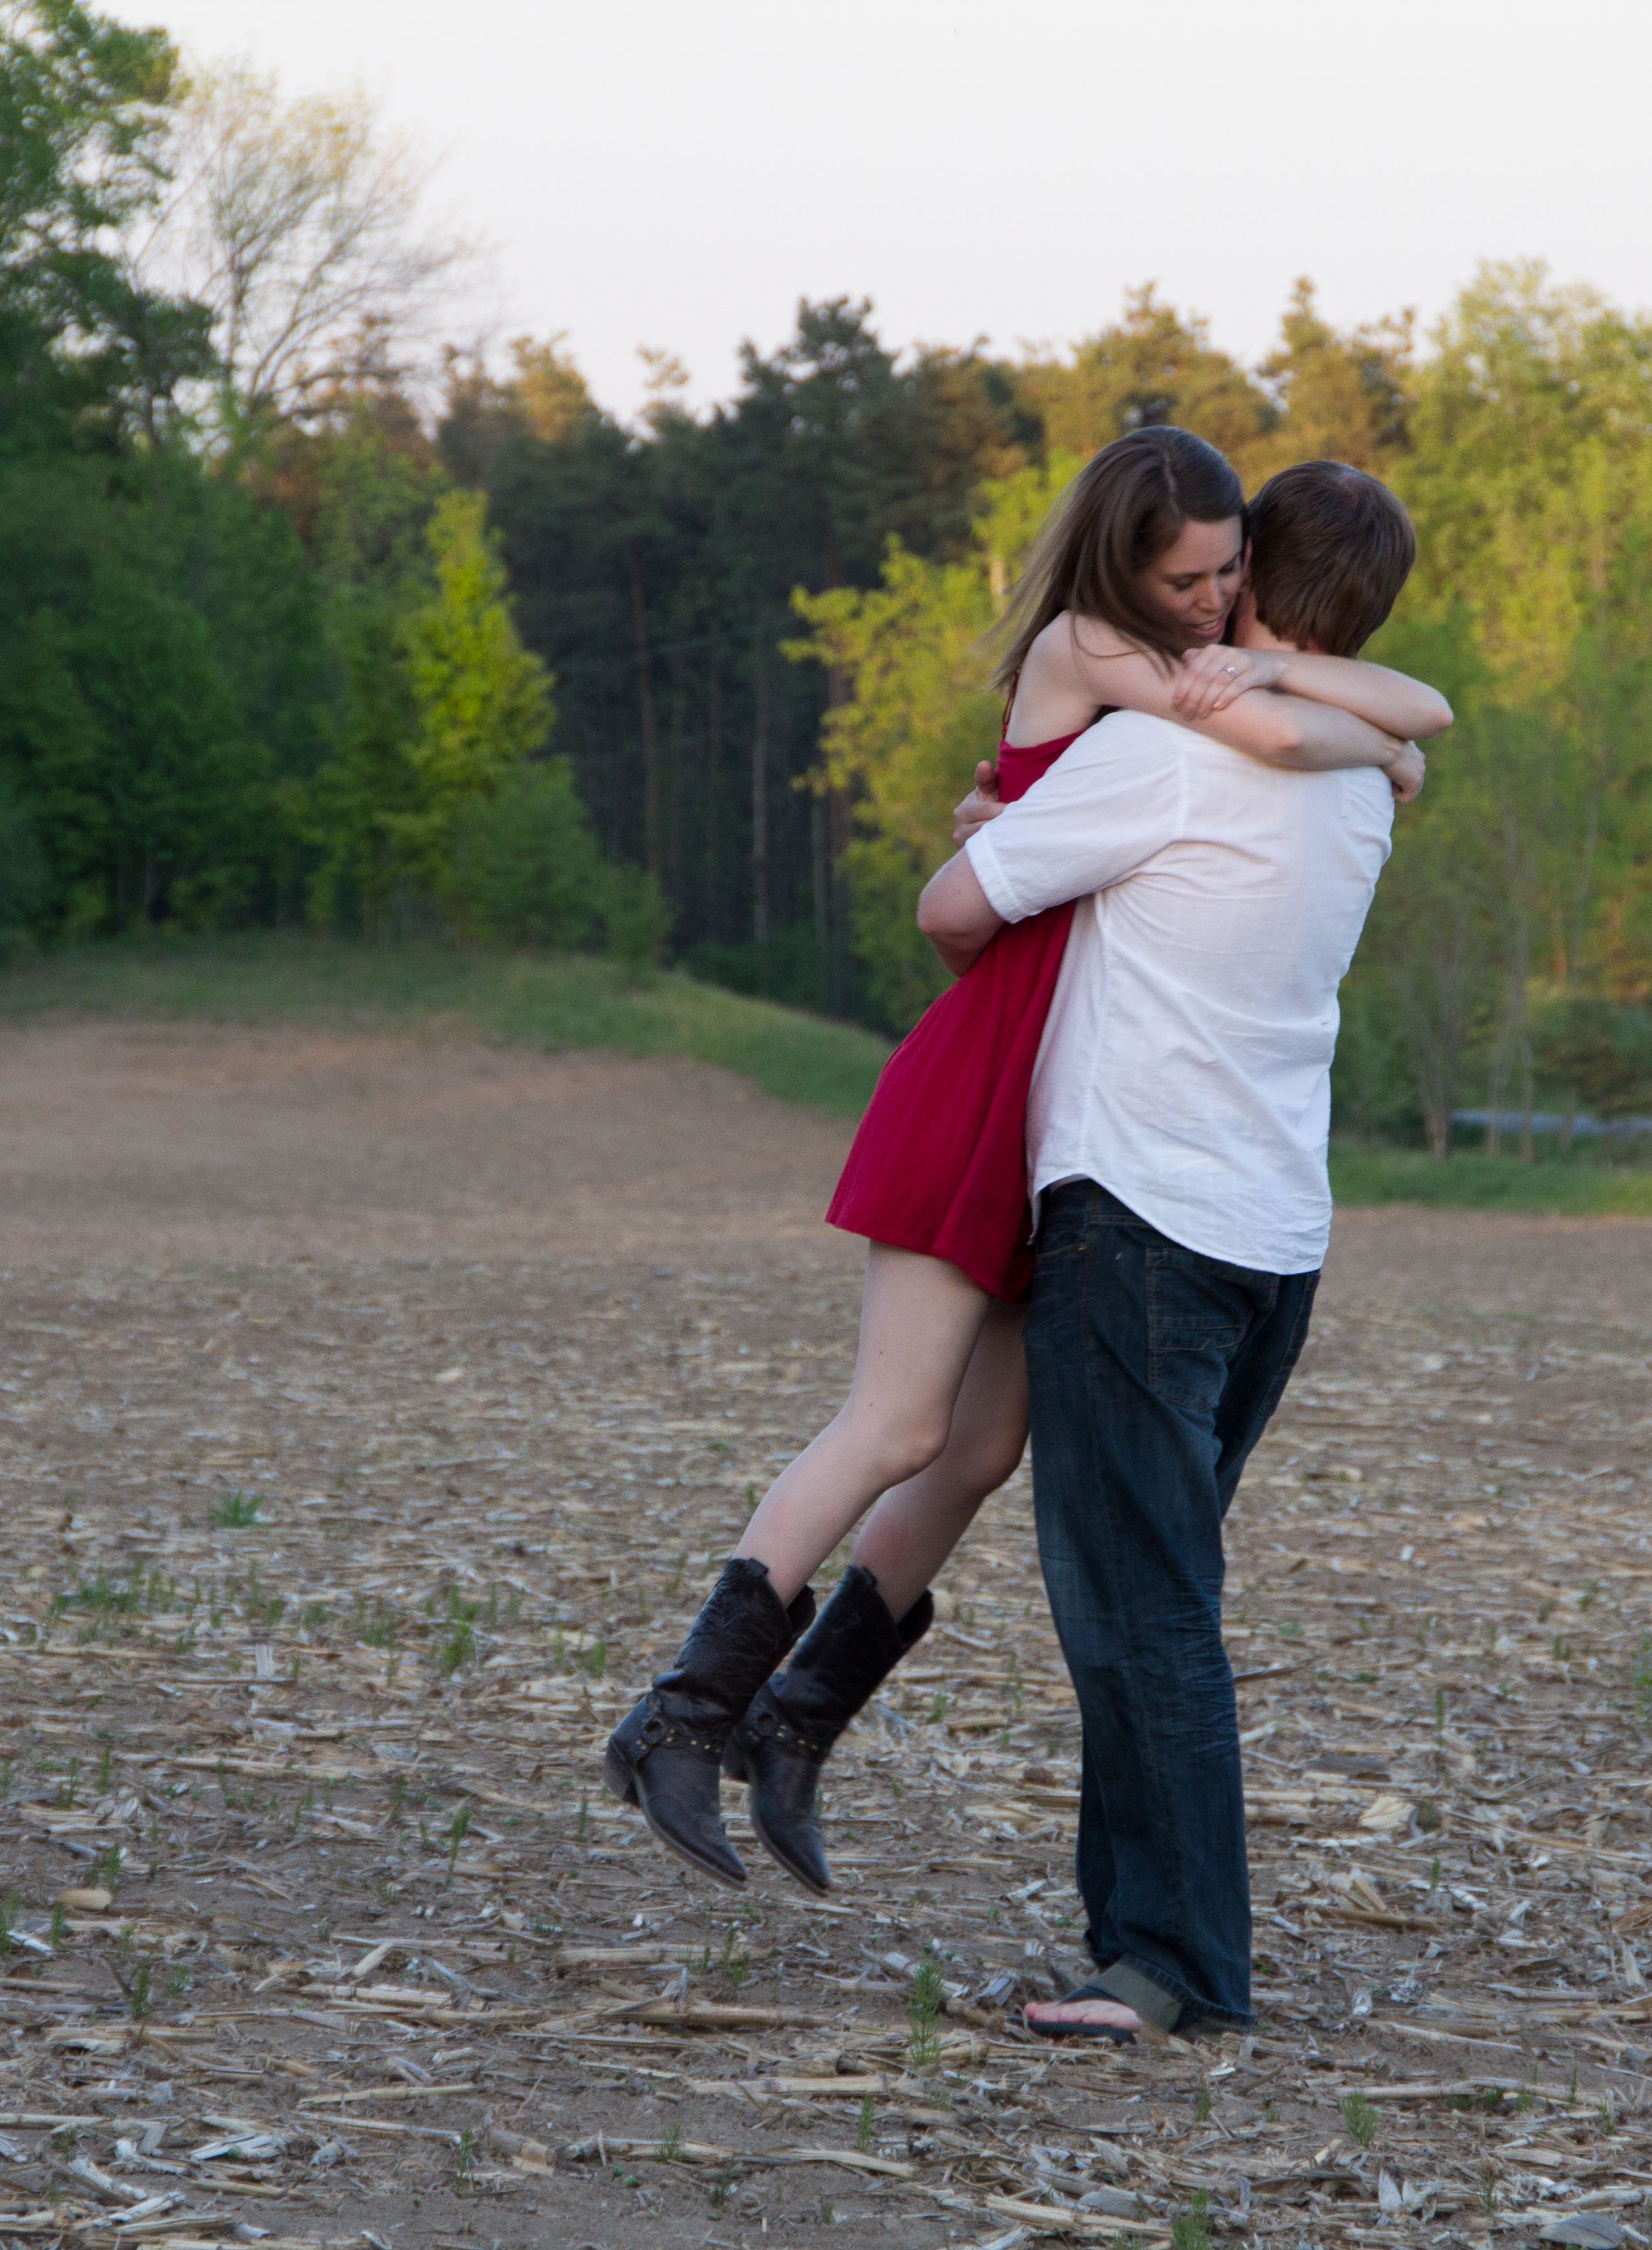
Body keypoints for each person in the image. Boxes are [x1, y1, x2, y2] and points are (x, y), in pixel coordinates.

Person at [602, 431, 1450, 1893]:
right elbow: (1269, 743)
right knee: (895, 1426)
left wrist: (1359, 720)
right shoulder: (1109, 659)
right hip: (995, 1062)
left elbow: (1391, 704)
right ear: (1131, 561)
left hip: (1062, 1092)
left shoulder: (1202, 678)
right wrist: (1380, 746)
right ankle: (681, 1714)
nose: (1210, 600)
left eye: (1230, 574)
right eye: (1189, 577)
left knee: (982, 1449)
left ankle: (798, 1723)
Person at [917, 459, 1425, 2043]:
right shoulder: (1364, 780)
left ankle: (1171, 1964)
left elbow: (956, 909)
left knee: (1139, 1613)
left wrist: (1009, 828)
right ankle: (1141, 1938)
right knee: (1156, 1599)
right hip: (1274, 1240)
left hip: (1140, 1223)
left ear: (1251, 574)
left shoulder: (1160, 754)